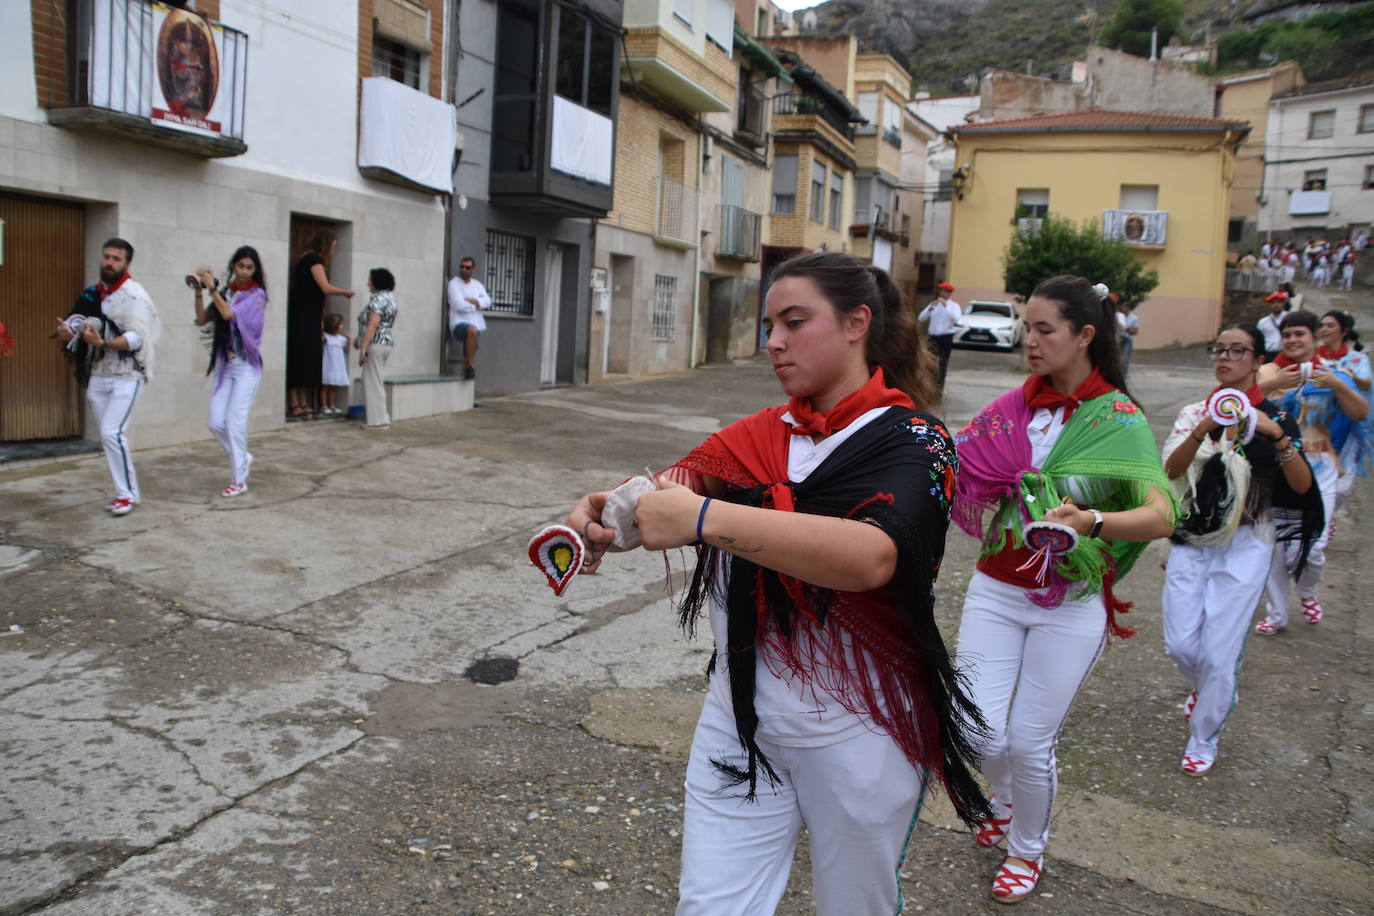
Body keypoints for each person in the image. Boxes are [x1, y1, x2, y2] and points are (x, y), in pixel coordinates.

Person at [561, 252, 990, 915]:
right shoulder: (758, 435)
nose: (775, 342)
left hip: (863, 735)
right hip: (738, 722)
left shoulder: (920, 442)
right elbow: (676, 486)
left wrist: (702, 518)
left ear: (856, 323)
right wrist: (607, 514)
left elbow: (873, 556)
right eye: (769, 325)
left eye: (795, 321)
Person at [950, 276, 1176, 903]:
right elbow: (956, 463)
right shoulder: (1012, 408)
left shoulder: (1119, 420)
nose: (1030, 340)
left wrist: (1096, 521)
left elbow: (1162, 512)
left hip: (1071, 602)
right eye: (1027, 326)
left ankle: (1026, 848)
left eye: (1045, 329)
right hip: (996, 589)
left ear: (1085, 335)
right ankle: (1003, 797)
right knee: (975, 728)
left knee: (1029, 739)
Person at [1160, 323, 1318, 776]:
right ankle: (1209, 687)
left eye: (1237, 350)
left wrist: (1277, 436)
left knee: (1220, 649)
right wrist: (1204, 431)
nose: (1224, 357)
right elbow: (1171, 468)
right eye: (1219, 349)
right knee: (1180, 643)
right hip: (1193, 537)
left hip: (1248, 543)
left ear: (1256, 360)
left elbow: (1303, 486)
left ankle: (1204, 735)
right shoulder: (1195, 412)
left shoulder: (1276, 417)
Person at [1255, 311, 1372, 634]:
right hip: (1276, 469)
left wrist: (1336, 383)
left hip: (1321, 467)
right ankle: (1277, 613)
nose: (1293, 340)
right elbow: (1236, 403)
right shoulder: (1266, 371)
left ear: (1314, 338)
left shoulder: (1333, 371)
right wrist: (1275, 385)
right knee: (1277, 546)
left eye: (1300, 334)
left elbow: (1361, 411)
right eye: (1288, 334)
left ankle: (1306, 590)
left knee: (1313, 547)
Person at [55, 238, 161, 515]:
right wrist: (69, 330)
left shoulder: (134, 296)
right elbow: (75, 320)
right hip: (99, 374)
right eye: (107, 257)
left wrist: (103, 342)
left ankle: (126, 495)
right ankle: (127, 492)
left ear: (126, 263)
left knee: (111, 432)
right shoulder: (93, 294)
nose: (109, 262)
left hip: (127, 375)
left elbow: (136, 339)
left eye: (116, 258)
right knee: (111, 437)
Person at [193, 246, 267, 498]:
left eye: (250, 267)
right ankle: (242, 457)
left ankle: (239, 480)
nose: (245, 271)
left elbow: (228, 313)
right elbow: (203, 320)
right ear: (233, 266)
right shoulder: (227, 293)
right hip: (227, 366)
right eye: (240, 266)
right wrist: (198, 292)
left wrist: (212, 287)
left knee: (235, 420)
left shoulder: (257, 295)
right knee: (215, 422)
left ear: (255, 270)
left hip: (247, 366)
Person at [287, 230, 353, 419]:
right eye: (333, 244)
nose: (333, 249)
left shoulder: (305, 258)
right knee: (301, 358)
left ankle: (303, 402)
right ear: (326, 243)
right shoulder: (314, 261)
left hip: (307, 315)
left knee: (306, 358)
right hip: (304, 316)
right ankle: (295, 403)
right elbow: (325, 287)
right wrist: (345, 292)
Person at [357, 268, 398, 429]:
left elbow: (373, 324)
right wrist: (358, 339)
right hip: (385, 343)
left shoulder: (377, 300)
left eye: (370, 280)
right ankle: (382, 418)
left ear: (376, 282)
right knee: (377, 381)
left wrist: (363, 346)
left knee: (372, 382)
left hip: (375, 344)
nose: (368, 283)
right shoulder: (390, 298)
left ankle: (376, 422)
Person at [447, 256, 491, 380]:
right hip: (459, 324)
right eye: (461, 266)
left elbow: (488, 301)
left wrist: (472, 301)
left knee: (468, 355)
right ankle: (471, 365)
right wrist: (477, 304)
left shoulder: (477, 285)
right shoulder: (453, 284)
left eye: (467, 267)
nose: (463, 269)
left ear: (472, 269)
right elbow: (458, 304)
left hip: (476, 325)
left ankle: (466, 374)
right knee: (471, 330)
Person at [918, 281, 961, 392]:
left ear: (950, 293)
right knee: (930, 362)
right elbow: (921, 318)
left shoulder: (954, 306)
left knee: (943, 363)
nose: (942, 293)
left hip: (946, 337)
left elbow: (956, 318)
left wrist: (946, 306)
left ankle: (939, 389)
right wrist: (930, 308)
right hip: (933, 337)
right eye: (941, 291)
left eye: (945, 291)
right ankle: (929, 387)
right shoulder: (934, 305)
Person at [319, 313, 350, 417]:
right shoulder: (326, 337)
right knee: (326, 386)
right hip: (328, 364)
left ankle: (332, 405)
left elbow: (346, 349)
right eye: (340, 324)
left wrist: (348, 340)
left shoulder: (341, 338)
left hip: (337, 365)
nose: (342, 326)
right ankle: (324, 406)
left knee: (333, 386)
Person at [1257, 291, 1289, 363]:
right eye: (1273, 303)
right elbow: (1259, 340)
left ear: (1283, 303)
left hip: (1285, 353)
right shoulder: (1263, 322)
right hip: (1268, 354)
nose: (1276, 305)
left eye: (1278, 302)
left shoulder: (1290, 318)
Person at [1114, 296, 1139, 374]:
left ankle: (1124, 375)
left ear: (1128, 309)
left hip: (1127, 339)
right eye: (1122, 307)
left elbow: (1135, 331)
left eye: (1124, 307)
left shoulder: (1134, 318)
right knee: (1116, 357)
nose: (1122, 309)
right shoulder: (1118, 316)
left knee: (1125, 358)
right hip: (1118, 338)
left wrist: (1126, 329)